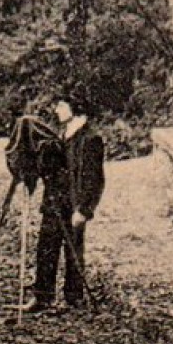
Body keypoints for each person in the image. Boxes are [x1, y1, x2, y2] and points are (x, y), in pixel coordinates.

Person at [23, 95, 105, 313]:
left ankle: (74, 298)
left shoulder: (90, 139)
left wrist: (85, 210)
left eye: (61, 106)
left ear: (75, 108)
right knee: (45, 249)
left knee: (73, 252)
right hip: (53, 202)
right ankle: (42, 297)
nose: (56, 110)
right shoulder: (60, 135)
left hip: (73, 206)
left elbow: (94, 179)